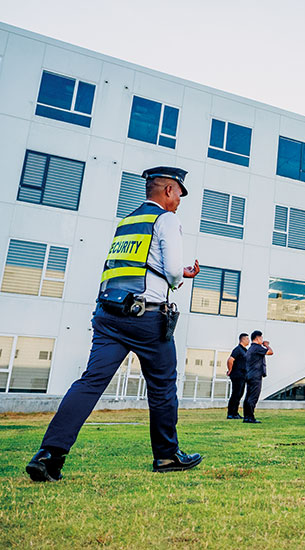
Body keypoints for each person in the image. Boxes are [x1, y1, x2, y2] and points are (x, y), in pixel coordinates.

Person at [26, 166, 202, 481]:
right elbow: (173, 270)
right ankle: (166, 456)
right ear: (167, 190)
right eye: (179, 193)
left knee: (90, 382)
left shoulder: (127, 222)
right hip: (146, 316)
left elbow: (137, 264)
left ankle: (49, 455)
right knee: (162, 387)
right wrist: (180, 278)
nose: (179, 200)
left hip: (109, 314)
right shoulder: (167, 219)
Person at [243, 331, 273, 424]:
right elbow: (270, 352)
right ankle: (250, 417)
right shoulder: (257, 348)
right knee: (253, 396)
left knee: (248, 396)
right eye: (261, 338)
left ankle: (246, 416)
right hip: (256, 375)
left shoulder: (250, 349)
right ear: (258, 338)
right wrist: (267, 345)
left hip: (249, 375)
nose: (262, 340)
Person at [225, 333, 250, 419]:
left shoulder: (244, 350)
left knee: (239, 394)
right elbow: (230, 360)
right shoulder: (238, 349)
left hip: (243, 375)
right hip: (237, 374)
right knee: (236, 394)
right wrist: (230, 370)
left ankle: (235, 413)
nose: (248, 340)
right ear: (243, 339)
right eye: (247, 339)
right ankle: (230, 413)